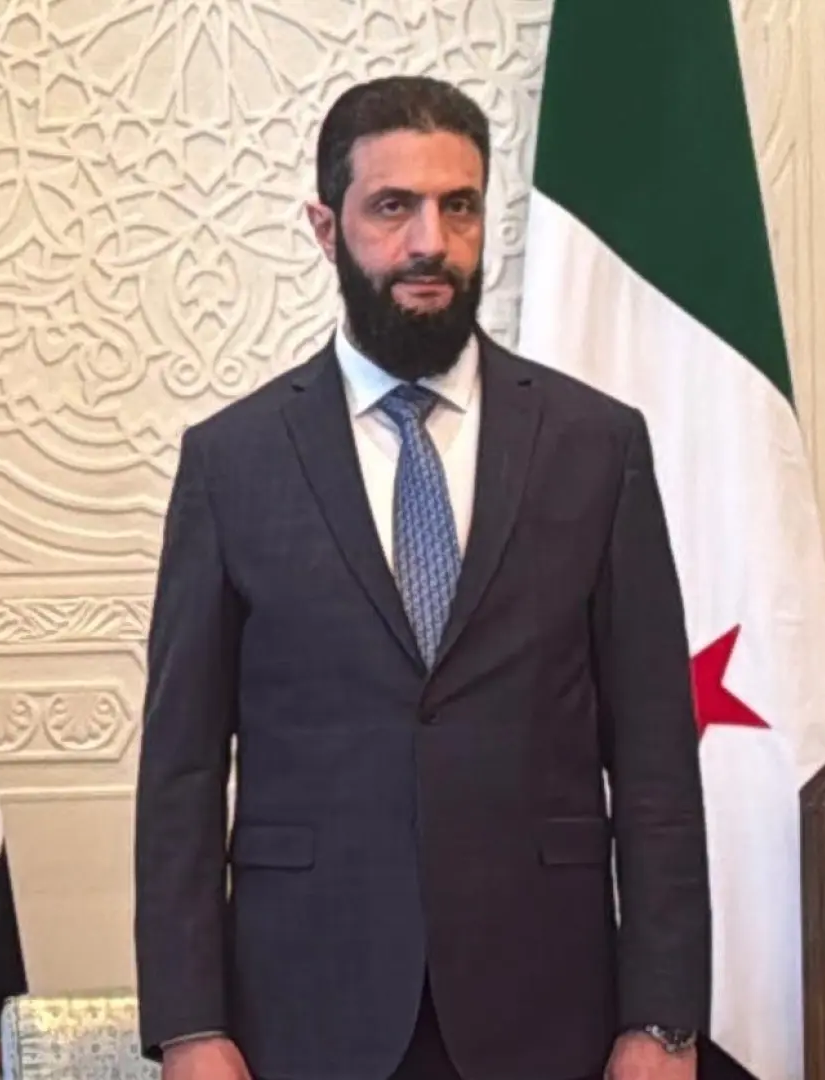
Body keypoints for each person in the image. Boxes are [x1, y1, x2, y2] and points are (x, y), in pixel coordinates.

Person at [133, 74, 710, 1080]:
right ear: (326, 228)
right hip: (305, 1012)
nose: (430, 243)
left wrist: (662, 1019)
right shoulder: (232, 462)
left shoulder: (594, 445)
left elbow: (657, 756)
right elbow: (181, 772)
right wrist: (189, 1025)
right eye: (392, 207)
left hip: (548, 1008)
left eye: (460, 206)